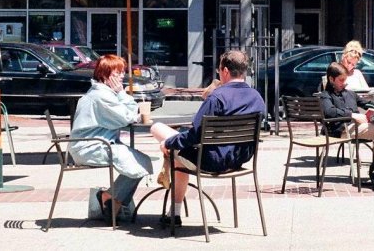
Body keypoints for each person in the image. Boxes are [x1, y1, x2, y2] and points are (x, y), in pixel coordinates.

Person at [150, 50, 265, 226]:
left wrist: (168, 142)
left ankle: (174, 213)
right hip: (239, 159)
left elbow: (195, 135)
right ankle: (174, 212)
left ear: (225, 71)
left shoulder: (217, 97)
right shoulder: (257, 97)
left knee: (158, 130)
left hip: (212, 161)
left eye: (219, 70)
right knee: (176, 155)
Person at [68, 54, 153, 222]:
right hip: (90, 148)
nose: (122, 76)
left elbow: (127, 114)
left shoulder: (102, 93)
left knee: (139, 162)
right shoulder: (101, 96)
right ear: (104, 75)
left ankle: (112, 200)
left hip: (96, 145)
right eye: (117, 73)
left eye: (122, 72)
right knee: (137, 163)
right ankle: (111, 200)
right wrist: (122, 93)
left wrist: (123, 99)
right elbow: (126, 117)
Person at [319, 62, 374, 162]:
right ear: (331, 79)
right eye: (341, 80)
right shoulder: (325, 95)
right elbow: (329, 112)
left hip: (360, 126)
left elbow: (366, 103)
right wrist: (352, 115)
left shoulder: (350, 93)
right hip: (344, 128)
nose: (344, 83)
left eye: (345, 80)